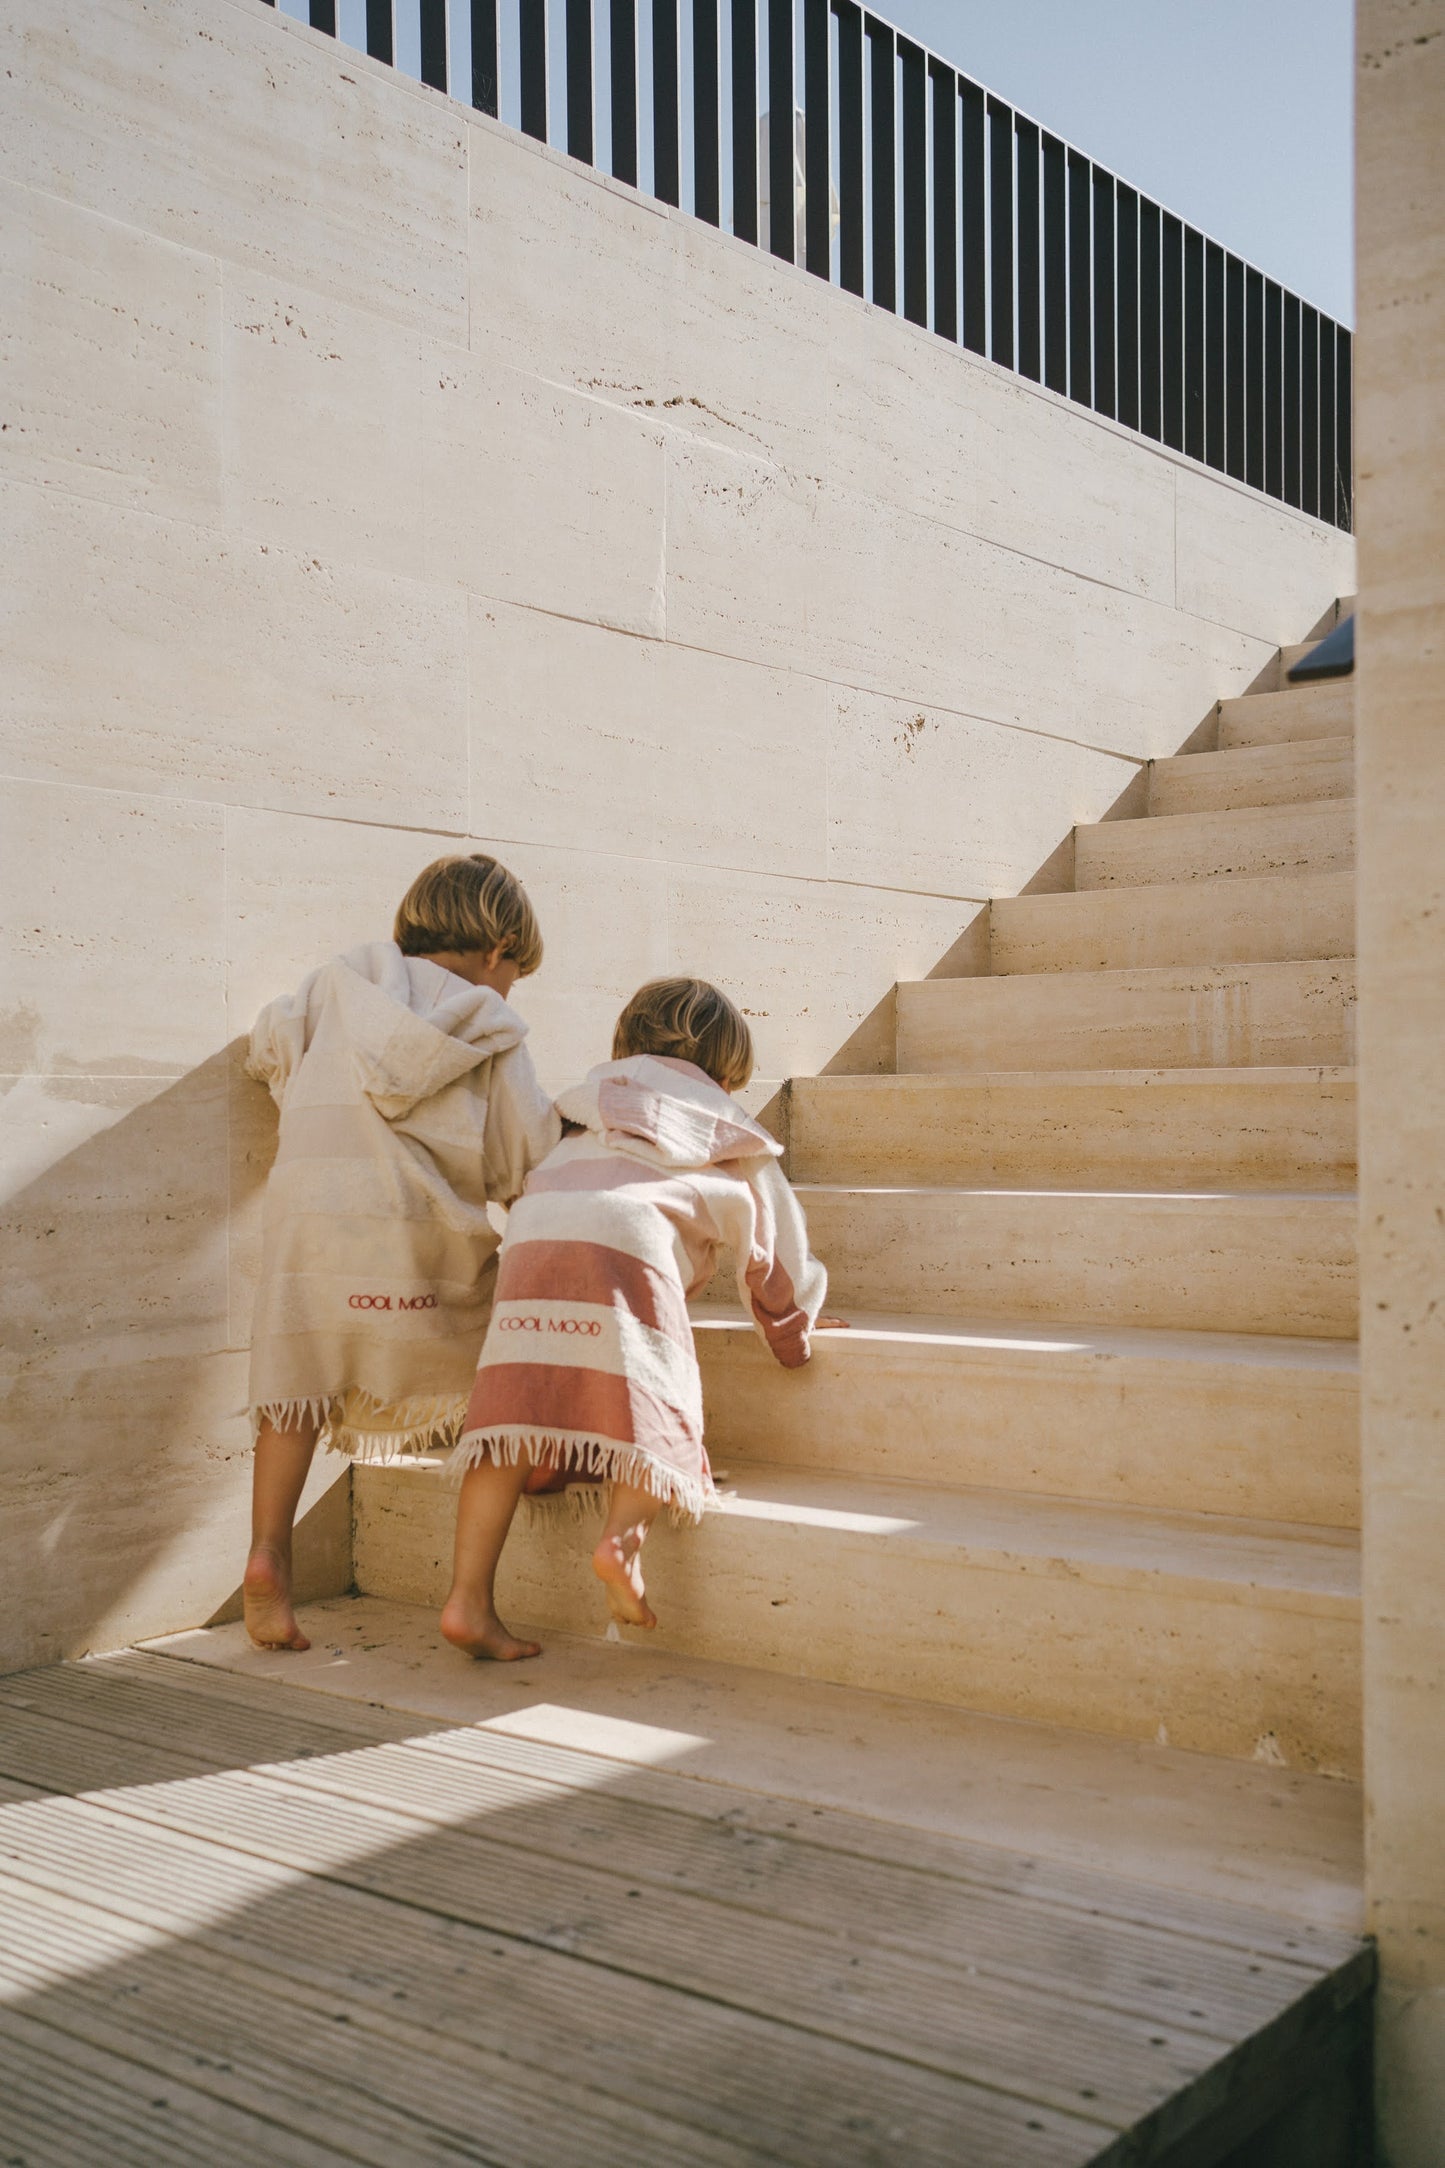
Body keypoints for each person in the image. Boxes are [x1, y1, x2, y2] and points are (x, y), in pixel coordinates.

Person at [440, 975, 833, 1662]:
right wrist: (791, 1329)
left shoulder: (586, 1100)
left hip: (535, 1237)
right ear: (728, 1066)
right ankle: (620, 1546)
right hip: (629, 1240)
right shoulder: (727, 1128)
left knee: (506, 1425)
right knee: (653, 1397)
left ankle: (466, 1600)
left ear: (626, 1040)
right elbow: (772, 1252)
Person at [242, 853, 561, 1652]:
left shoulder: (331, 988)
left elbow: (268, 1044)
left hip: (309, 1227)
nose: (512, 986)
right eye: (517, 969)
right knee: (515, 1363)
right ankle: (471, 1597)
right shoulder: (492, 1026)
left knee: (296, 1389)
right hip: (414, 1237)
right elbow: (525, 1159)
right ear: (497, 949)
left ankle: (267, 1557)